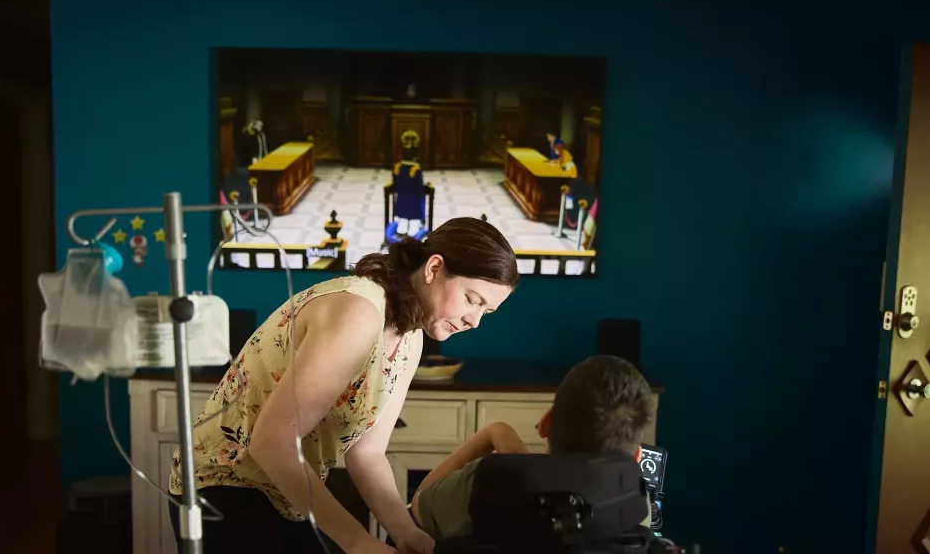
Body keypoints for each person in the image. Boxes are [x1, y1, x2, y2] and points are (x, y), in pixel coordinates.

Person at [168, 217, 520, 554]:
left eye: (486, 312)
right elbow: (273, 442)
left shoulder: (410, 336)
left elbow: (367, 455)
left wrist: (407, 531)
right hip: (224, 486)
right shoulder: (358, 310)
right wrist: (357, 542)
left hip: (286, 494)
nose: (474, 321)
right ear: (433, 268)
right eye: (472, 300)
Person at [410, 355, 654, 541]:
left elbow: (416, 512)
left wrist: (493, 432)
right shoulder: (636, 508)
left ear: (546, 423)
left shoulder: (486, 480)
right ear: (637, 455)